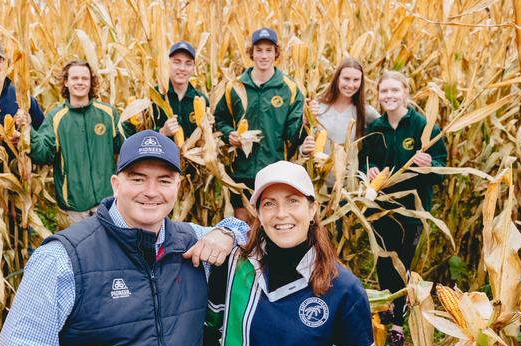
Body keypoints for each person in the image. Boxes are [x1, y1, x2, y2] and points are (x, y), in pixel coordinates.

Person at [0, 129, 249, 346]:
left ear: (178, 186)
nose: (151, 192)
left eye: (164, 181)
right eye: (138, 179)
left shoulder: (193, 241)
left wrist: (227, 231)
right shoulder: (61, 259)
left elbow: (254, 235)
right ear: (116, 184)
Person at [203, 161, 375, 346]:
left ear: (312, 209)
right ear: (258, 212)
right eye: (269, 203)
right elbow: (208, 332)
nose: (281, 213)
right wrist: (225, 230)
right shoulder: (231, 265)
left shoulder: (345, 291)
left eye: (293, 201)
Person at [359, 70, 447, 346]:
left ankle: (399, 324)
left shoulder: (423, 127)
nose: (389, 96)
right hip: (381, 211)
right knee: (385, 264)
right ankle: (386, 319)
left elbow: (442, 167)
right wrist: (368, 171)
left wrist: (429, 163)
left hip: (412, 210)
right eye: (384, 91)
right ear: (379, 95)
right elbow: (365, 163)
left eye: (395, 90)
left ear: (406, 92)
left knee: (404, 266)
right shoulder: (376, 128)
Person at [214, 27, 305, 222]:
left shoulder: (288, 88)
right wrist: (228, 134)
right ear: (251, 53)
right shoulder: (235, 87)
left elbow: (293, 135)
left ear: (276, 53)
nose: (264, 55)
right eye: (259, 50)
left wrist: (306, 122)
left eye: (268, 50)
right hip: (241, 170)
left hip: (274, 168)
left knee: (270, 222)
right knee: (242, 221)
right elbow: (219, 120)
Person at [24, 60, 128, 224]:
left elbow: (123, 147)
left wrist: (133, 121)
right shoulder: (56, 118)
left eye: (84, 78)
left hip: (108, 201)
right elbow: (44, 154)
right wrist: (28, 130)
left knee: (109, 248)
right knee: (79, 250)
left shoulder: (107, 114)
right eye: (75, 78)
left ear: (91, 82)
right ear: (66, 82)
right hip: (74, 205)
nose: (80, 82)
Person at [300, 57, 380, 186]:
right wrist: (303, 150)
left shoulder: (366, 112)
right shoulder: (317, 107)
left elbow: (387, 133)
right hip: (316, 183)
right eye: (346, 79)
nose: (350, 85)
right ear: (337, 78)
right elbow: (299, 142)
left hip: (347, 188)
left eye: (356, 80)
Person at [153, 41, 209, 140]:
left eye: (188, 63)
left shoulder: (201, 99)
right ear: (168, 64)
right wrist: (162, 132)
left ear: (193, 68)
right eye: (177, 62)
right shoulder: (154, 96)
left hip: (192, 154)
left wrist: (208, 129)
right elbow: (139, 132)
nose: (182, 68)